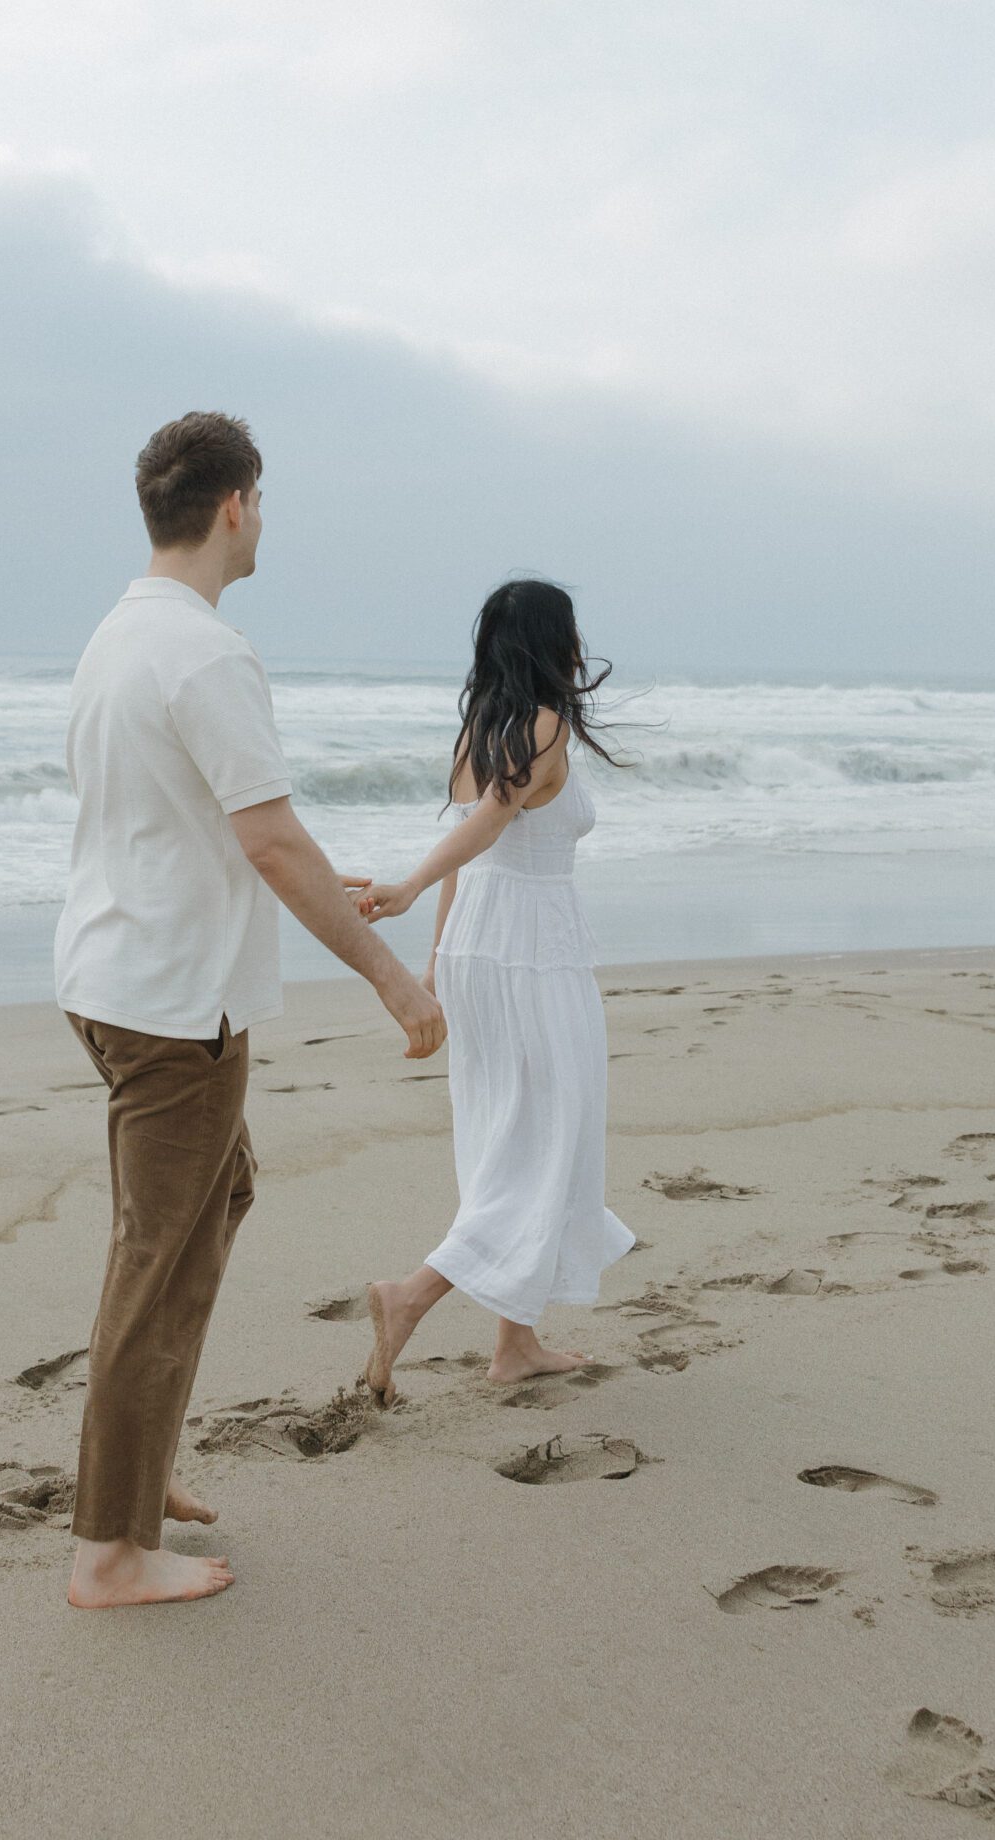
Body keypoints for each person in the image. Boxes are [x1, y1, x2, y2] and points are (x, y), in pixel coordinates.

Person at [55, 411, 445, 1610]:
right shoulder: (206, 654)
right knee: (154, 1257)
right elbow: (269, 839)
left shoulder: (118, 638)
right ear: (235, 505)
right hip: (173, 1002)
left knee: (216, 1198)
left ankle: (142, 1470)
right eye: (262, 501)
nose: (263, 520)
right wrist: (393, 979)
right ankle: (109, 1552)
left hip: (118, 976)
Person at [354, 578, 635, 1397]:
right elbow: (487, 823)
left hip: (483, 946)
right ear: (557, 641)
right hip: (529, 954)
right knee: (546, 1141)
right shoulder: (541, 725)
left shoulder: (483, 725)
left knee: (513, 1141)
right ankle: (410, 1295)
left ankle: (515, 1343)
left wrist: (439, 960)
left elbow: (470, 841)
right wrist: (406, 893)